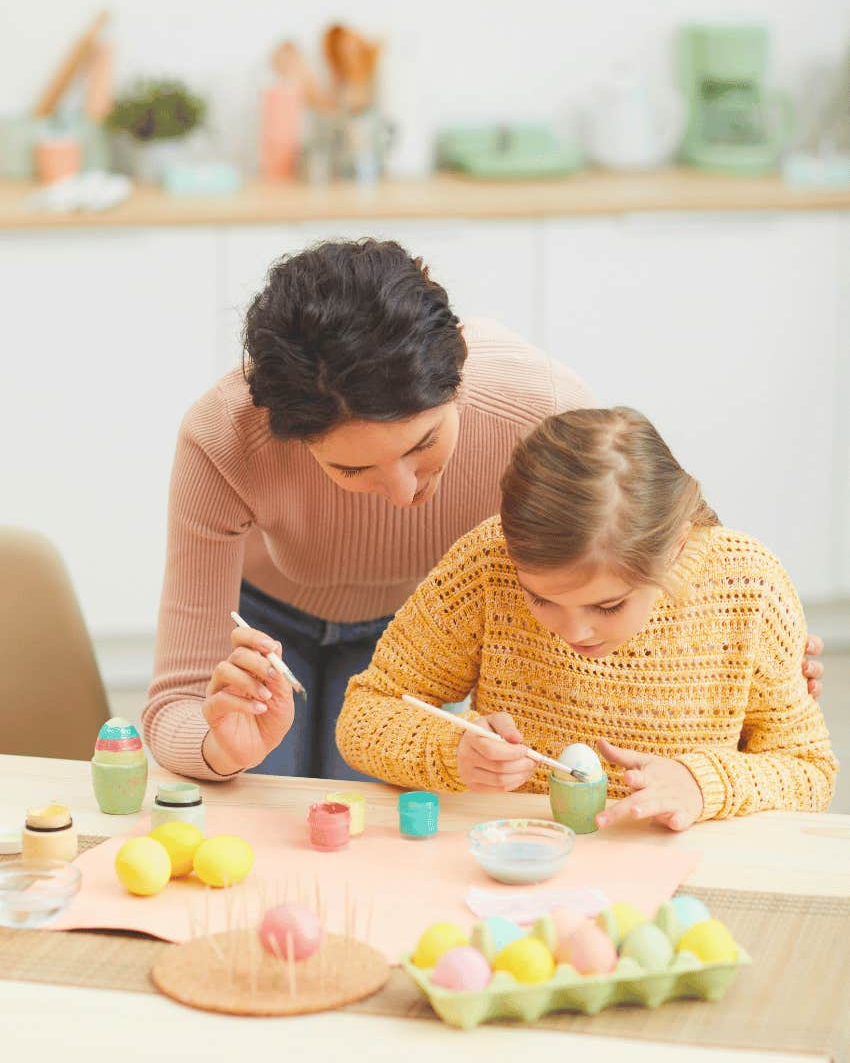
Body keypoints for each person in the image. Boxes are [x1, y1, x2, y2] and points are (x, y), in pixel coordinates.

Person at [142, 239, 594, 782]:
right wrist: (219, 750)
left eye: (423, 443)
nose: (405, 495)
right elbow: (175, 702)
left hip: (419, 635)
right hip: (267, 626)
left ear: (458, 376)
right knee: (257, 796)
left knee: (365, 818)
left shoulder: (543, 413)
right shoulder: (221, 437)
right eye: (351, 471)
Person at [336, 408, 837, 828]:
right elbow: (364, 715)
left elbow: (810, 771)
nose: (574, 631)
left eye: (609, 605)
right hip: (520, 862)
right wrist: (453, 750)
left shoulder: (748, 585)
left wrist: (703, 784)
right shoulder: (488, 563)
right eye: (540, 598)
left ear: (676, 546)